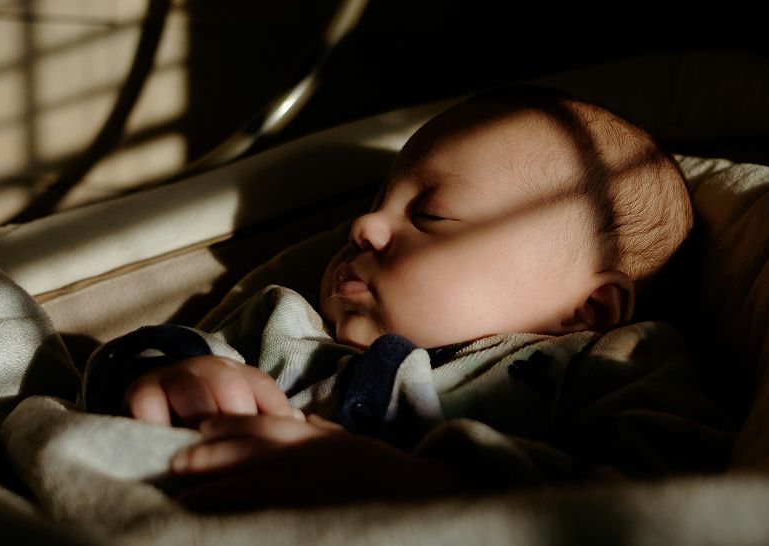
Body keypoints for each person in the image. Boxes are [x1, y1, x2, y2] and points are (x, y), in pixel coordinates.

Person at [81, 86, 726, 508]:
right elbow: (122, 370)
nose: (362, 228)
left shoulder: (606, 368)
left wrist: (425, 488)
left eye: (432, 215)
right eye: (374, 205)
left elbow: (663, 503)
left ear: (587, 311)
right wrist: (174, 373)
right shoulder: (287, 326)